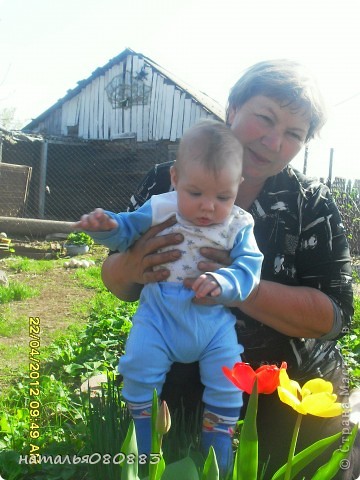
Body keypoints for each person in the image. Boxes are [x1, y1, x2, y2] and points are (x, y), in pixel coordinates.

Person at [100, 59, 360, 479]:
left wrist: (241, 285)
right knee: (173, 464)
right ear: (233, 108)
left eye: (294, 134)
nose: (274, 141)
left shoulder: (310, 202)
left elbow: (335, 316)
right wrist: (131, 264)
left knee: (315, 469)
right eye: (265, 118)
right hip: (184, 363)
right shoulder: (167, 183)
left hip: (289, 382)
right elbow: (116, 282)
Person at [74, 120, 263, 473]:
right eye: (195, 193)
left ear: (238, 186)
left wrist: (224, 282)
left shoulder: (239, 224)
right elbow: (128, 230)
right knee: (139, 367)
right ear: (175, 179)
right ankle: (142, 443)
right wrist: (109, 227)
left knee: (228, 381)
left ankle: (216, 453)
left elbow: (250, 269)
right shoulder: (161, 207)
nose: (208, 207)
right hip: (159, 316)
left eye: (222, 196)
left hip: (213, 326)